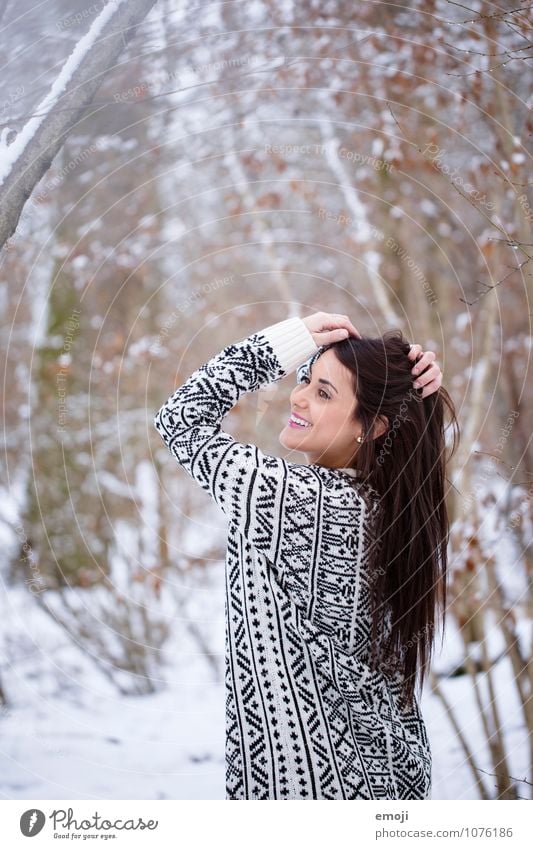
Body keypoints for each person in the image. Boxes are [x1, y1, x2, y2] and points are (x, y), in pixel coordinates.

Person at [153, 310, 459, 799]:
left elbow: (180, 419)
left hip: (311, 790)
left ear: (375, 426)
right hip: (380, 774)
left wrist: (290, 339)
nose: (297, 396)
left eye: (322, 392)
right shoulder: (385, 505)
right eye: (306, 381)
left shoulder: (300, 501)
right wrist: (402, 388)